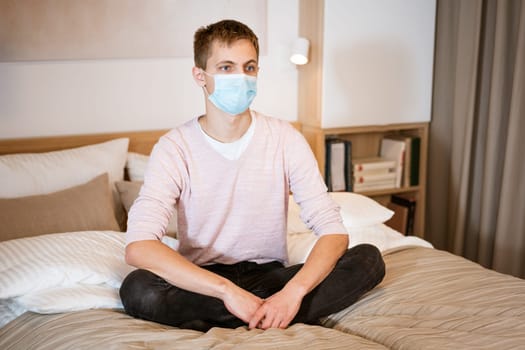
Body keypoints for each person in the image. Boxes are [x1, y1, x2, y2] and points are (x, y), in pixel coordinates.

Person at [120, 19, 385, 332]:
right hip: (204, 282)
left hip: (271, 277)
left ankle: (266, 311)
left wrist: (292, 293)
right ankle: (264, 315)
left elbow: (333, 231)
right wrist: (227, 292)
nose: (240, 78)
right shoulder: (174, 147)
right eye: (226, 67)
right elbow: (138, 246)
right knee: (138, 289)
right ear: (200, 75)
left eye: (249, 68)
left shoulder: (285, 138)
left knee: (368, 259)